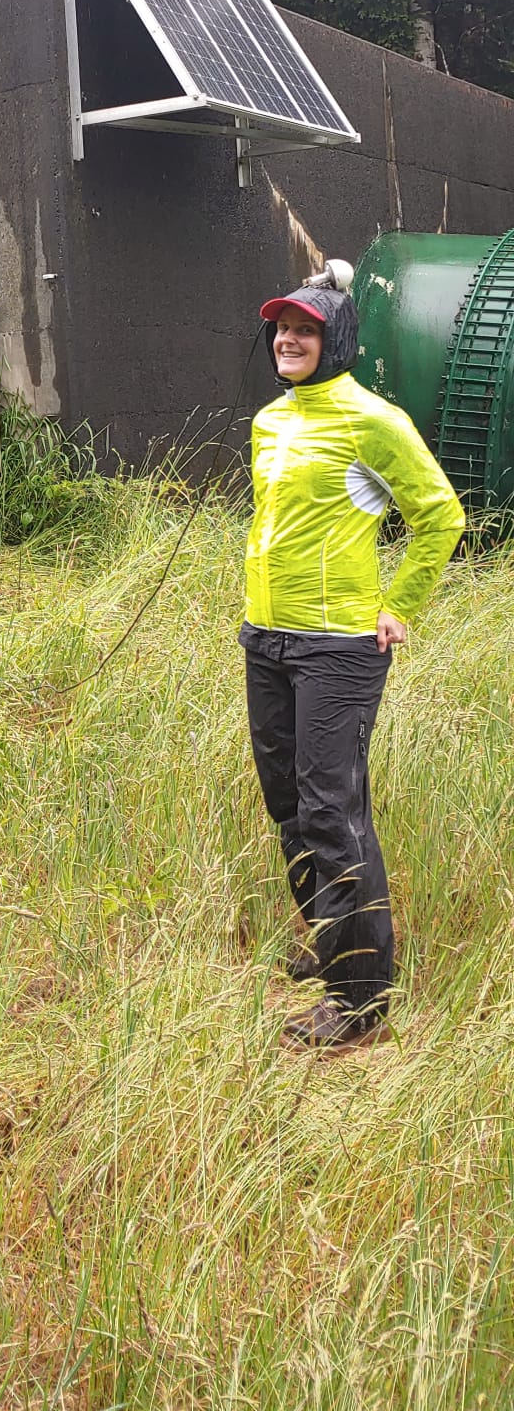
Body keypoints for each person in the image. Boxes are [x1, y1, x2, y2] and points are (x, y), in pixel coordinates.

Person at [242, 272, 465, 1052]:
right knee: (288, 805)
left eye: (304, 329)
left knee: (332, 813)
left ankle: (361, 1000)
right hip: (266, 638)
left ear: (334, 338)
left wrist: (401, 605)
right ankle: (337, 942)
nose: (288, 340)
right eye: (279, 329)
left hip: (338, 649)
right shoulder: (271, 420)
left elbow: (440, 513)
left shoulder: (374, 421)